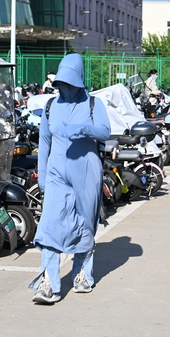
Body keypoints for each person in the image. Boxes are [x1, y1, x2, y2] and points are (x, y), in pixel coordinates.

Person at [28, 53, 111, 304]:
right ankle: (49, 283)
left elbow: (106, 132)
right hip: (55, 172)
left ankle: (82, 274)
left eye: (68, 83)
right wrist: (42, 174)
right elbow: (44, 142)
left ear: (78, 81)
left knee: (85, 224)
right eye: (60, 83)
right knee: (50, 225)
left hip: (86, 172)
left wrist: (86, 129)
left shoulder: (94, 104)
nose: (63, 87)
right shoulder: (52, 106)